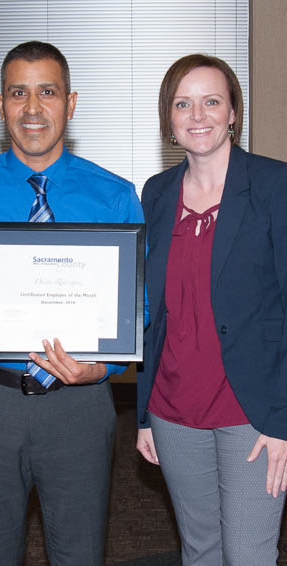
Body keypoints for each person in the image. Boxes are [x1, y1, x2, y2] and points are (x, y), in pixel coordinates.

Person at [0, 41, 144, 566]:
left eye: (48, 92)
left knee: (81, 554)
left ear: (71, 102)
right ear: (0, 104)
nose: (33, 108)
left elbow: (140, 308)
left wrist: (101, 366)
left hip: (80, 407)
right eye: (18, 93)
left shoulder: (113, 197)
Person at [136, 54, 287, 565]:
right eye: (183, 103)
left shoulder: (275, 187)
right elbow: (151, 315)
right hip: (173, 411)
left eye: (211, 102)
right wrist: (141, 416)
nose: (198, 115)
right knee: (198, 551)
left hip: (254, 413)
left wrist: (284, 421)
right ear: (169, 119)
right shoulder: (155, 195)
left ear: (233, 114)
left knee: (248, 555)